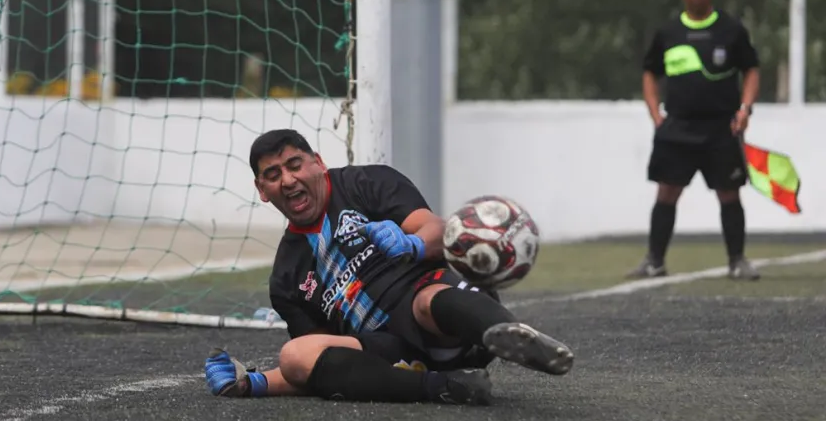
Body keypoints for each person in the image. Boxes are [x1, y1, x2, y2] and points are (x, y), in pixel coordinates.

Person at [204, 129, 574, 406]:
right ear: (262, 190)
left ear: (317, 162)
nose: (288, 180)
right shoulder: (286, 277)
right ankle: (449, 387)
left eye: (294, 165)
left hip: (441, 315)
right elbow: (316, 366)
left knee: (426, 301)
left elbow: (437, 230)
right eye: (273, 175)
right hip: (389, 356)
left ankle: (507, 333)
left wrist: (413, 244)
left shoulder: (366, 183)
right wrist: (252, 383)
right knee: (293, 355)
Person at [630, 0, 760, 281]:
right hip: (677, 128)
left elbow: (751, 69)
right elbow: (650, 73)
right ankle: (654, 261)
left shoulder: (731, 30)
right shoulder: (668, 33)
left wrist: (745, 110)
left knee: (729, 193)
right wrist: (655, 114)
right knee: (667, 192)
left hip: (721, 128)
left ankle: (737, 261)